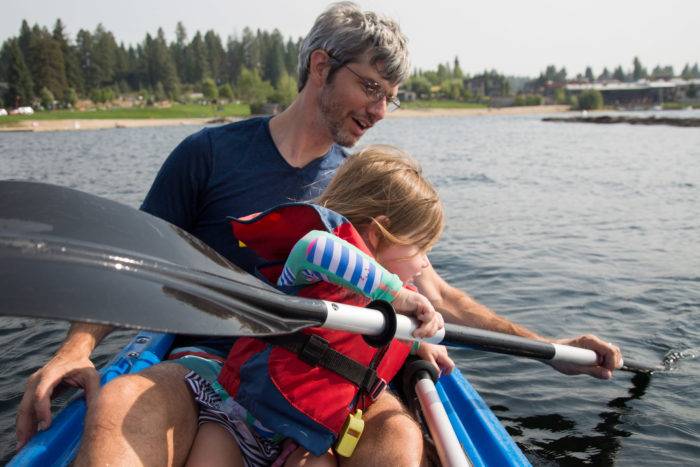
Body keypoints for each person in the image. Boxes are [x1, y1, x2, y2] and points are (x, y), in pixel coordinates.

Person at [15, 2, 622, 466]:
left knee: (398, 436)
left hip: (327, 372)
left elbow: (433, 289)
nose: (382, 109)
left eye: (393, 96)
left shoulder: (363, 185)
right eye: (372, 88)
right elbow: (137, 257)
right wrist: (75, 349)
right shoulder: (208, 155)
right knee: (119, 401)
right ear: (321, 66)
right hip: (214, 359)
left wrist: (547, 344)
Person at [186, 145, 454, 466]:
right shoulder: (321, 258)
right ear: (378, 233)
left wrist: (415, 341)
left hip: (303, 438)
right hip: (238, 417)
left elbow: (373, 339)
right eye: (421, 247)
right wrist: (397, 294)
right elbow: (317, 248)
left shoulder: (388, 300)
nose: (425, 264)